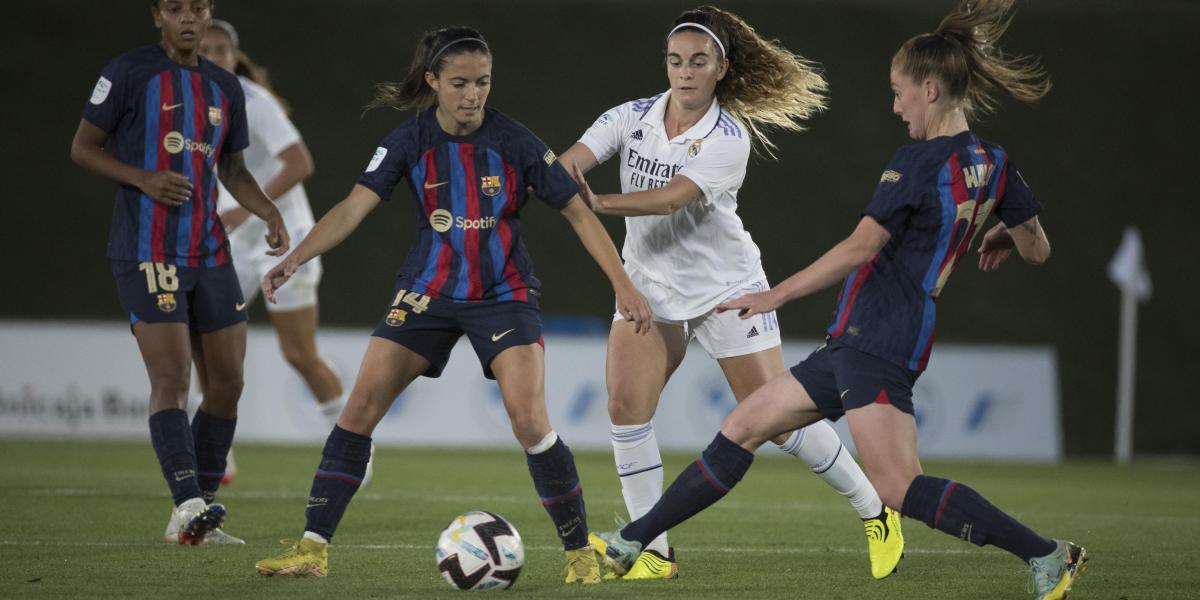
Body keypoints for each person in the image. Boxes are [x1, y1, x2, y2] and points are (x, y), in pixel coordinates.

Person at [595, 1, 1088, 598]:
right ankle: (635, 542)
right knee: (745, 424)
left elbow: (859, 249)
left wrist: (774, 293)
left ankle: (1047, 555)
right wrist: (1011, 230)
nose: (896, 104)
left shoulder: (916, 162)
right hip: (862, 335)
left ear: (930, 90)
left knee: (901, 487)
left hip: (880, 336)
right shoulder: (995, 162)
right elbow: (1039, 250)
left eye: (900, 92)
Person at [253, 26, 652, 583]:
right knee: (359, 409)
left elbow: (580, 214)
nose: (473, 95)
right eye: (460, 82)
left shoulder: (515, 142)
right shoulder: (407, 142)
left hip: (503, 295)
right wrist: (294, 257)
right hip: (427, 292)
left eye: (483, 82)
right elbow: (352, 207)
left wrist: (624, 285)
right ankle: (311, 549)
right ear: (433, 81)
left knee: (530, 421)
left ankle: (578, 554)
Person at [559, 5, 901, 580]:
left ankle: (875, 509)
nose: (685, 72)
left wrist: (597, 203)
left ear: (721, 68)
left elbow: (672, 197)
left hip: (726, 290)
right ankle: (652, 552)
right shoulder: (630, 117)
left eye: (698, 61)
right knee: (625, 409)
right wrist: (547, 174)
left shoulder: (727, 137)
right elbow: (569, 164)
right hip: (650, 285)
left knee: (781, 421)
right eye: (675, 61)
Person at [69, 0, 289, 545]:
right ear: (157, 16)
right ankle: (188, 503)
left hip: (209, 250)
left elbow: (233, 169)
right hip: (147, 250)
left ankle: (197, 515)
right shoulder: (127, 72)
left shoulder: (223, 87)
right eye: (175, 9)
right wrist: (142, 178)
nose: (188, 18)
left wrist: (268, 209)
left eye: (197, 8)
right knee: (172, 379)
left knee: (229, 384)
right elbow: (83, 147)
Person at [198, 20, 360, 486]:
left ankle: (353, 448)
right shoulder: (185, 102)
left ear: (234, 56)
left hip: (284, 242)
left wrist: (244, 211)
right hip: (229, 245)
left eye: (221, 49)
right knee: (205, 343)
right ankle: (216, 451)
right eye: (204, 48)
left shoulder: (252, 101)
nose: (212, 56)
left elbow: (300, 162)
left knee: (299, 353)